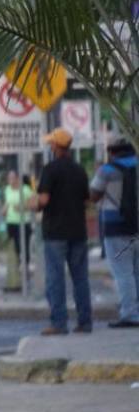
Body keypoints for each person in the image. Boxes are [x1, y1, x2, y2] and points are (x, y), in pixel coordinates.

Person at [33, 127, 93, 335]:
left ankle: (59, 323)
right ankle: (85, 322)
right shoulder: (79, 169)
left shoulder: (50, 169)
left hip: (55, 232)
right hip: (78, 231)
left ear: (56, 147)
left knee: (56, 278)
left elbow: (44, 200)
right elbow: (87, 200)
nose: (50, 146)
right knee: (80, 278)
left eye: (51, 143)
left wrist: (34, 205)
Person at [89, 137, 139, 328]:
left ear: (111, 152)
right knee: (136, 272)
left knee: (123, 273)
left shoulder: (107, 170)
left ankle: (129, 314)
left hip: (116, 228)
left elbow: (93, 195)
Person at [1, 170, 34, 268]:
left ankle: (25, 266)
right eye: (9, 178)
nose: (10, 180)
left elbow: (33, 204)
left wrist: (23, 207)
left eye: (12, 178)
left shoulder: (25, 189)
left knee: (23, 244)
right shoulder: (7, 189)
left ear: (17, 179)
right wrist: (4, 209)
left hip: (24, 222)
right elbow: (7, 202)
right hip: (11, 221)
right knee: (15, 245)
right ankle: (18, 265)